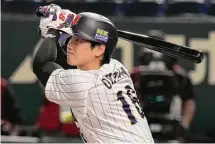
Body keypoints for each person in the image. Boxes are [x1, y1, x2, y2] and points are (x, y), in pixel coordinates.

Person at [32, 4, 154, 143]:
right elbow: (69, 65)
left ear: (99, 49)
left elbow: (41, 65)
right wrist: (59, 31)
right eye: (72, 38)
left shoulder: (83, 84)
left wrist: (53, 30)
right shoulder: (115, 66)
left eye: (78, 40)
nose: (70, 45)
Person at [131, 29, 196, 141]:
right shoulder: (135, 75)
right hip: (142, 123)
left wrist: (184, 125)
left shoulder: (179, 76)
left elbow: (189, 100)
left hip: (171, 122)